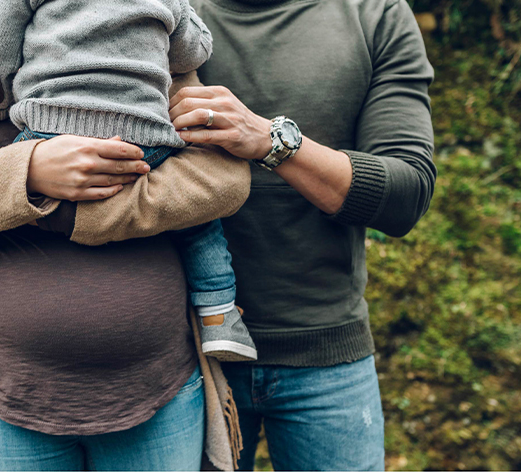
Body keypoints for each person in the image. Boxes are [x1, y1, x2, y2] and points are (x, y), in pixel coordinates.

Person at [0, 52, 251, 469]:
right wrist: (28, 171)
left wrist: (66, 209)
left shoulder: (153, 62)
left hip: (160, 391)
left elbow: (223, 181)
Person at [0, 0, 258, 361]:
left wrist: (34, 194)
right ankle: (219, 312)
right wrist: (29, 172)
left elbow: (224, 184)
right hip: (144, 144)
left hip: (163, 379)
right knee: (200, 229)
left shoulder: (177, 86)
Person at [166, 0, 436, 469]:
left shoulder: (375, 14)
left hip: (328, 354)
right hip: (182, 354)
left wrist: (271, 141)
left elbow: (405, 194)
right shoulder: (161, 10)